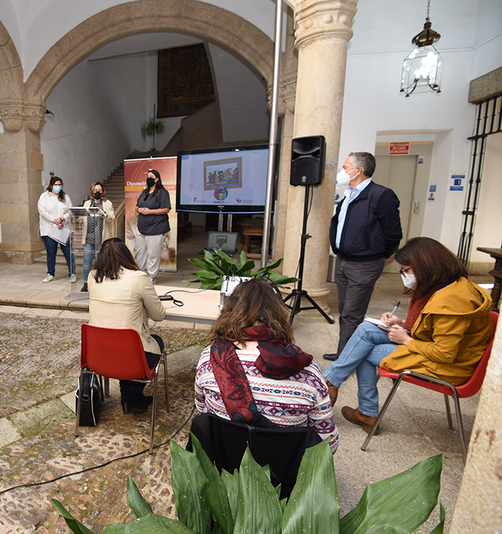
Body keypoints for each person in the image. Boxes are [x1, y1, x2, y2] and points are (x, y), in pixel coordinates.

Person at [323, 237, 493, 434]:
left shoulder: (453, 300)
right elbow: (436, 326)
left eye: (406, 270)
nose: (404, 275)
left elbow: (444, 353)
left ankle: (362, 409)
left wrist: (406, 340)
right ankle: (333, 383)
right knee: (365, 330)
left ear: (426, 265)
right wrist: (403, 324)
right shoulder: (448, 285)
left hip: (450, 365)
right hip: (434, 348)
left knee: (364, 353)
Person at [195, 278, 339, 453]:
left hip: (226, 469)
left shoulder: (209, 358)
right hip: (286, 474)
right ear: (279, 314)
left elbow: (203, 410)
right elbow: (328, 445)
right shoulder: (309, 373)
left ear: (229, 311)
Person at [323, 152, 403, 362]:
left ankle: (345, 359)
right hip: (343, 261)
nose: (342, 171)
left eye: (346, 166)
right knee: (345, 311)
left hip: (364, 264)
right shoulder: (348, 194)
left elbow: (393, 232)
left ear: (358, 170)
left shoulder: (381, 195)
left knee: (352, 313)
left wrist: (382, 255)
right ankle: (345, 352)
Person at [88, 238, 166, 413]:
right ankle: (132, 396)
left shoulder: (93, 277)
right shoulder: (138, 278)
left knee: (123, 341)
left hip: (98, 355)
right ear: (126, 256)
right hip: (132, 358)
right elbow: (159, 315)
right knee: (152, 343)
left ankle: (129, 397)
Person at [134, 168, 171, 283]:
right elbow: (136, 206)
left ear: (157, 179)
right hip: (141, 228)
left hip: (156, 229)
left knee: (153, 254)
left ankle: (152, 277)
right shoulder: (144, 192)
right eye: (148, 177)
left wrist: (149, 211)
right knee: (140, 252)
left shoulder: (162, 192)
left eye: (152, 177)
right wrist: (139, 209)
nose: (149, 179)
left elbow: (166, 209)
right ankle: (140, 275)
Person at [37, 175, 75, 283]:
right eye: (56, 185)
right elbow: (42, 212)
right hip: (49, 229)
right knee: (51, 252)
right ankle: (50, 274)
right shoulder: (44, 197)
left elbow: (70, 211)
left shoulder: (65, 197)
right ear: (51, 185)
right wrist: (55, 220)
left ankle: (72, 273)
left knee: (68, 251)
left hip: (63, 228)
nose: (58, 187)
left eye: (59, 185)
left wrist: (62, 218)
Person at [80, 182, 115, 292]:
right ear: (91, 192)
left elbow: (112, 217)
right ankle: (86, 283)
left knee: (101, 262)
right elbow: (81, 217)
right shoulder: (87, 203)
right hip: (88, 238)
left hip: (101, 238)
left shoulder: (107, 203)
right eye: (95, 190)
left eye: (99, 190)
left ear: (103, 191)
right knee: (87, 262)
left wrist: (103, 213)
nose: (97, 192)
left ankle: (100, 281)